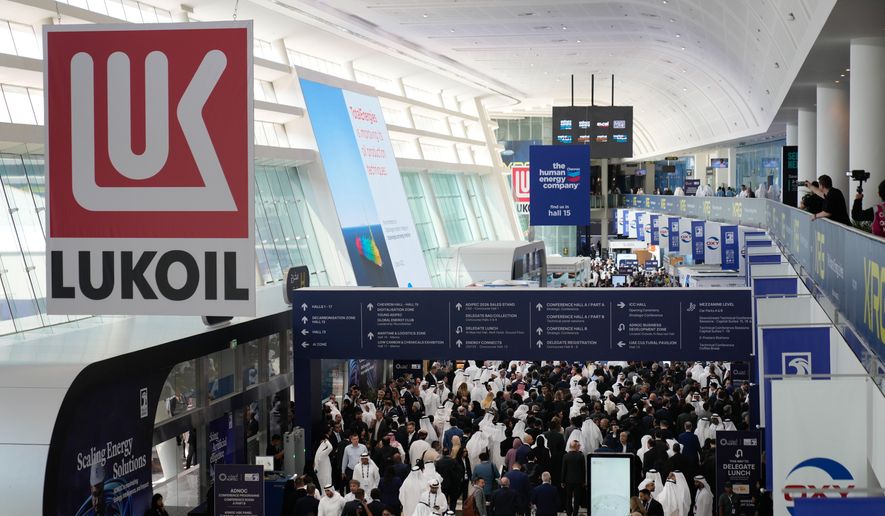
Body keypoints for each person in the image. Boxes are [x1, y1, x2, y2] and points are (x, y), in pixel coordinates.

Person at [561, 440, 585, 516]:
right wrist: (583, 480)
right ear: (575, 446)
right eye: (578, 446)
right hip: (578, 481)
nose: (579, 447)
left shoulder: (566, 456)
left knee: (568, 498)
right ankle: (575, 514)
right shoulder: (581, 456)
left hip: (568, 480)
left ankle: (568, 513)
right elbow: (583, 470)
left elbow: (563, 469)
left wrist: (562, 481)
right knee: (577, 499)